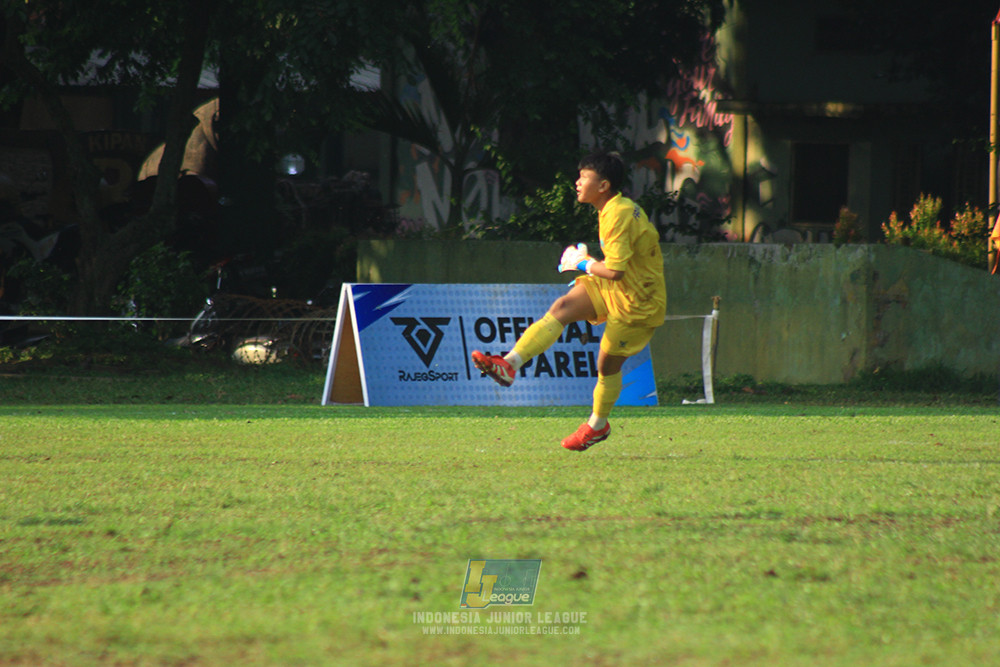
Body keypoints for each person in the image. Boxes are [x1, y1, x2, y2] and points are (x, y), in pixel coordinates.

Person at [472, 150, 666, 451]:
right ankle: (508, 365)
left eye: (584, 177)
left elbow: (615, 272)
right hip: (618, 287)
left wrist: (583, 263)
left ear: (603, 185)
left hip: (638, 302)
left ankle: (597, 426)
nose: (577, 182)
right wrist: (587, 262)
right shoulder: (613, 208)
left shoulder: (617, 213)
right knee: (562, 308)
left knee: (606, 365)